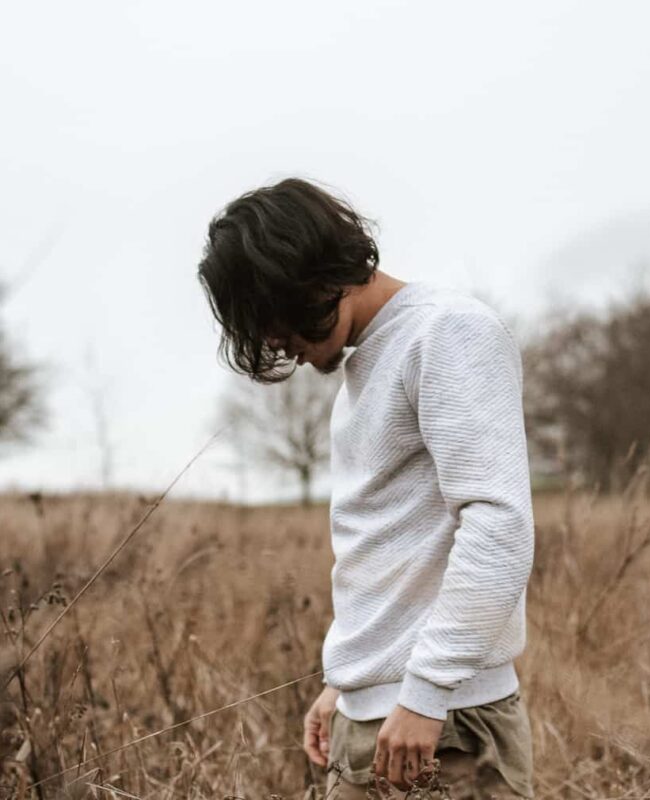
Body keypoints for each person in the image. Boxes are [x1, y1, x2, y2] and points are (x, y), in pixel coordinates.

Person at [197, 177, 536, 799]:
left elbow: (499, 525)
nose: (272, 338)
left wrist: (426, 694)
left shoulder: (447, 334)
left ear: (311, 275)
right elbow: (396, 543)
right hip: (386, 713)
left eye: (270, 312)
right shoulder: (366, 360)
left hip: (444, 727)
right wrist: (349, 682)